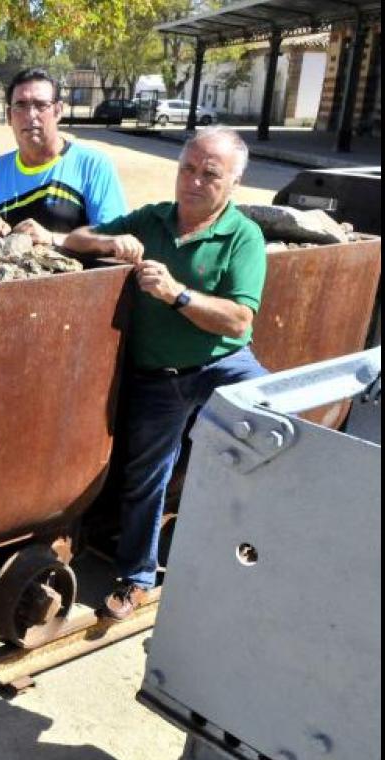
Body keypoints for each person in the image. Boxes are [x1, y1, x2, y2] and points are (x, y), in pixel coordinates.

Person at [63, 126, 268, 621]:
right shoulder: (153, 219)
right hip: (159, 375)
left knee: (275, 435)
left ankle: (262, 554)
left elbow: (240, 319)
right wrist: (115, 240)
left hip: (223, 366)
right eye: (187, 169)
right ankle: (137, 578)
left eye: (210, 174)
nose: (194, 181)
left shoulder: (244, 235)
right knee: (144, 478)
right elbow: (77, 239)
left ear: (234, 182)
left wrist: (176, 294)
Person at [0, 68, 128, 247]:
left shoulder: (92, 166)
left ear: (58, 111)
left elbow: (114, 240)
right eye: (20, 105)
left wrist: (52, 238)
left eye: (41, 105)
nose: (30, 115)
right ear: (9, 116)